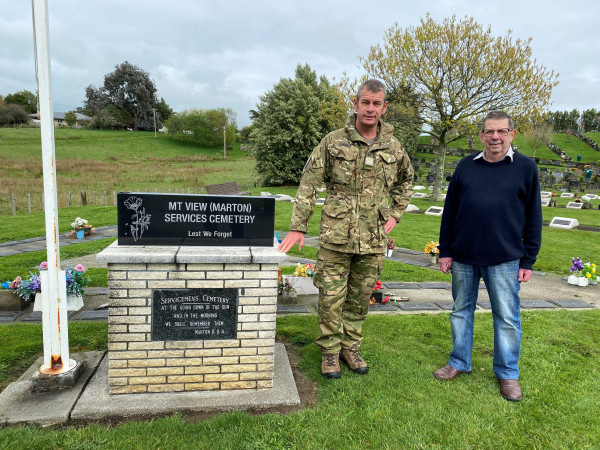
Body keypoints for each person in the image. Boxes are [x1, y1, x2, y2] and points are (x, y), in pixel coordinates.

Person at [278, 79, 413, 378]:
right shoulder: (333, 141)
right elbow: (309, 183)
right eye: (365, 102)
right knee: (330, 296)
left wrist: (396, 213)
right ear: (355, 104)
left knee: (360, 297)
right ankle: (329, 352)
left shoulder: (393, 146)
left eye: (377, 103)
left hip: (373, 238)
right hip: (336, 235)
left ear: (384, 107)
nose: (370, 108)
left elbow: (406, 181)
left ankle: (350, 348)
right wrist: (298, 226)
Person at [434, 110, 542, 402]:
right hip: (464, 255)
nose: (495, 137)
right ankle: (458, 362)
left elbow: (534, 216)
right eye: (489, 131)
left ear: (512, 134)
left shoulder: (526, 168)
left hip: (505, 258)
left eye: (502, 131)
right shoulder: (465, 166)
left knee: (507, 317)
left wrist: (528, 259)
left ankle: (507, 373)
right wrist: (445, 251)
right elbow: (450, 212)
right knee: (460, 311)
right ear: (481, 135)